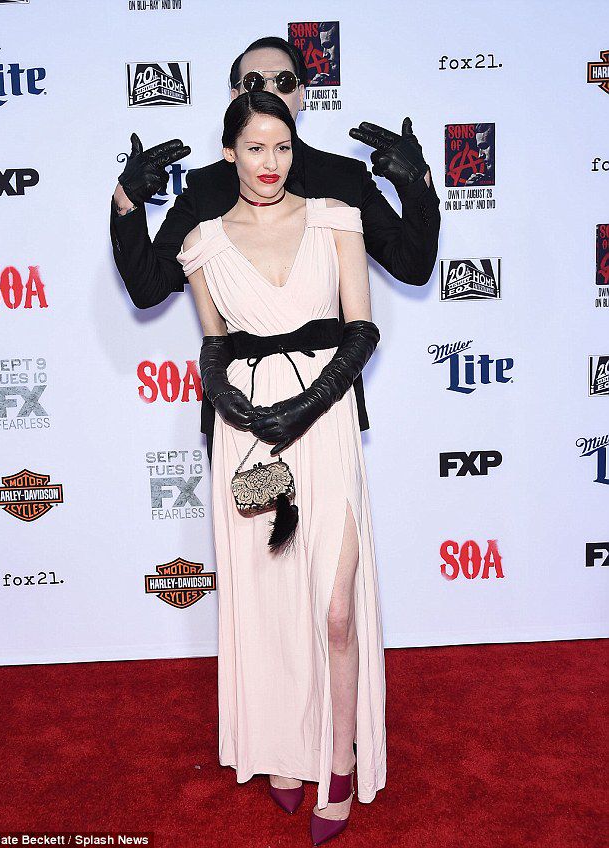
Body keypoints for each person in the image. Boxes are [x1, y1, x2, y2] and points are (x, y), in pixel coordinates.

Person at [175, 89, 385, 845]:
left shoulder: (334, 219)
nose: (271, 163)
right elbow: (214, 342)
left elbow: (361, 329)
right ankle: (286, 747)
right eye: (255, 148)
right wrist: (230, 400)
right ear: (228, 152)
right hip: (251, 436)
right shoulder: (203, 243)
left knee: (335, 609)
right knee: (271, 603)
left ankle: (340, 762)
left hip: (324, 424)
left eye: (283, 147)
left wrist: (309, 404)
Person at [110, 35, 441, 465]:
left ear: (302, 94)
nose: (269, 90)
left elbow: (412, 267)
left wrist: (418, 188)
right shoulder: (206, 188)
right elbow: (148, 289)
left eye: (283, 81)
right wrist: (126, 205)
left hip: (327, 409)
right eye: (253, 82)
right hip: (240, 416)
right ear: (235, 97)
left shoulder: (344, 178)